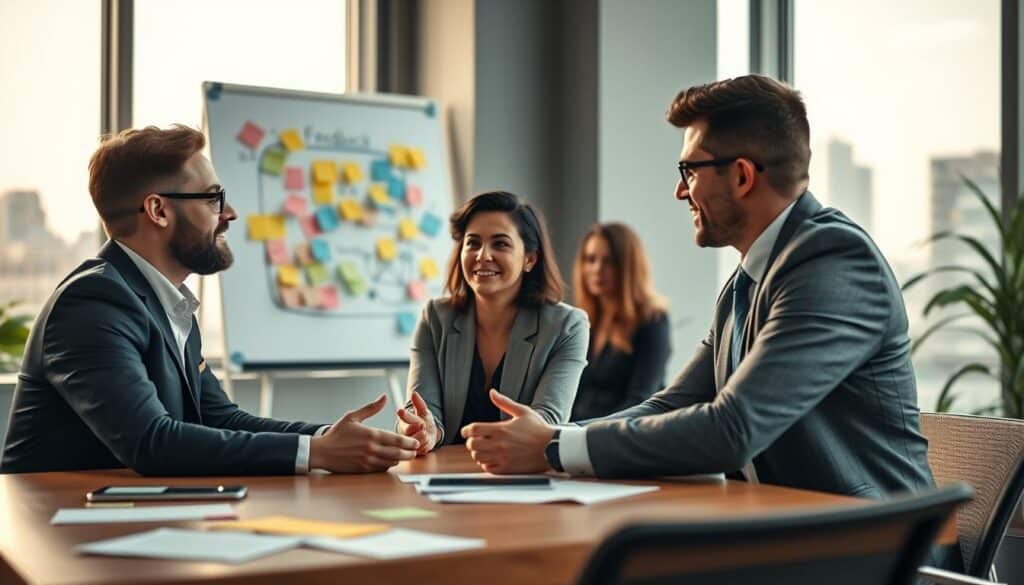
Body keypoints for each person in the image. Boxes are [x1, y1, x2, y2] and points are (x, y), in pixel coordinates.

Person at [458, 75, 937, 500]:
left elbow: (733, 427)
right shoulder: (747, 280)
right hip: (785, 532)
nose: (680, 191)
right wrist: (553, 434)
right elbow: (674, 403)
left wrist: (555, 447)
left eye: (690, 170)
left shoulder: (833, 260)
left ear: (743, 176)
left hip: (874, 549)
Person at [0, 125, 419, 475]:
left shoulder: (168, 302)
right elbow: (151, 441)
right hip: (56, 540)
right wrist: (317, 454)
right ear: (159, 211)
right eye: (213, 198)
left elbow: (219, 418)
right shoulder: (93, 303)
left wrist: (332, 438)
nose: (230, 212)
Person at [396, 191, 588, 455]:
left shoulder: (567, 326)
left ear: (530, 259)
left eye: (500, 244)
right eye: (472, 243)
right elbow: (421, 409)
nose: (482, 255)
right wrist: (423, 428)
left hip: (519, 474)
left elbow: (549, 421)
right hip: (441, 475)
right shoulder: (435, 318)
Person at [570, 223, 671, 421]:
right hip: (575, 435)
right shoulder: (582, 321)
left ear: (628, 266)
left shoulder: (652, 320)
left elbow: (641, 400)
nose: (597, 269)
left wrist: (579, 433)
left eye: (609, 261)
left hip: (624, 438)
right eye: (590, 259)